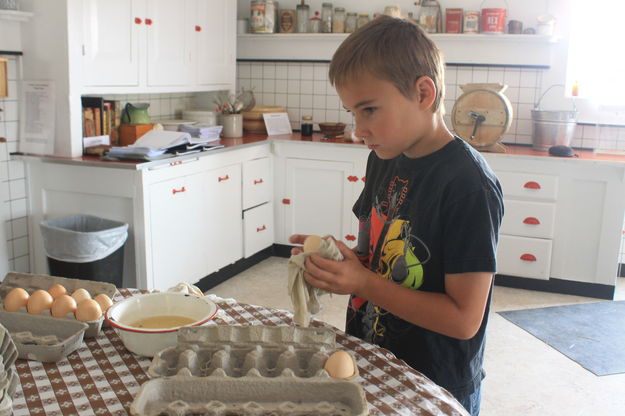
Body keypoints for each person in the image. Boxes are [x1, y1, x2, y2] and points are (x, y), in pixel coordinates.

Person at [289, 15, 504, 416]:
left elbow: (463, 320)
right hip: (376, 357)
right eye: (353, 112)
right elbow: (380, 256)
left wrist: (364, 283)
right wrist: (345, 263)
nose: (358, 129)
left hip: (436, 382)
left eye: (369, 110)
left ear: (423, 93)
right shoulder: (383, 159)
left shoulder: (468, 186)